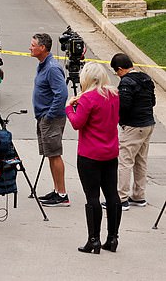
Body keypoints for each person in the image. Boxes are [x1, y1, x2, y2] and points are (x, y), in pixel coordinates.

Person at [65, 62, 120, 254]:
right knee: (112, 194)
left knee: (93, 197)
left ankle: (93, 239)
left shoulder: (88, 98)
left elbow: (77, 123)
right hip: (110, 151)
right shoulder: (114, 95)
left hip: (90, 153)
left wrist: (69, 108)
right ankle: (112, 238)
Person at [110, 53, 156, 210]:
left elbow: (123, 105)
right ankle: (138, 195)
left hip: (134, 126)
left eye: (116, 72)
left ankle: (121, 198)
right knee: (141, 160)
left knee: (125, 161)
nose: (117, 75)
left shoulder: (126, 82)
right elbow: (153, 101)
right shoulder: (146, 78)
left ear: (121, 69)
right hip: (149, 123)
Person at [30, 33, 70, 207]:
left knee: (55, 154)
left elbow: (61, 94)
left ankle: (62, 194)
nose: (30, 47)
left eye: (33, 45)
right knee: (50, 155)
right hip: (44, 117)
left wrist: (50, 115)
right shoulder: (42, 65)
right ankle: (56, 190)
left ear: (42, 48)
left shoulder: (52, 68)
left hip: (51, 119)